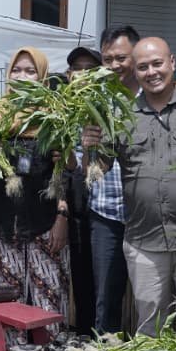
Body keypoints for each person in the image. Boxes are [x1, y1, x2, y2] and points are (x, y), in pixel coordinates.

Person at [85, 36, 176, 336]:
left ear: (172, 63)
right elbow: (97, 171)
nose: (152, 72)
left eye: (157, 64)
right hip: (143, 243)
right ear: (135, 72)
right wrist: (90, 148)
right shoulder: (121, 116)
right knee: (151, 332)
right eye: (143, 67)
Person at [0, 47, 71, 348]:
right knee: (7, 301)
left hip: (44, 222)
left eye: (30, 71)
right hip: (3, 223)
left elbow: (65, 174)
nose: (22, 77)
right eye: (16, 70)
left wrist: (61, 217)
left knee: (48, 296)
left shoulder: (54, 117)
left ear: (42, 76)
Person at [88, 25, 141, 333]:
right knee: (106, 299)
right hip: (105, 213)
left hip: (145, 216)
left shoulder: (152, 99)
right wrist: (86, 149)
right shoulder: (96, 101)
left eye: (121, 58)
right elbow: (86, 166)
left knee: (151, 299)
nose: (114, 66)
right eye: (107, 59)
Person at [64, 45, 103, 333]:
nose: (83, 75)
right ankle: (80, 332)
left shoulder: (107, 109)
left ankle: (98, 336)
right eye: (78, 69)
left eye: (91, 69)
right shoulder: (59, 109)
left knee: (99, 278)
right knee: (77, 274)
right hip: (71, 205)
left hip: (103, 207)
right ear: (68, 75)